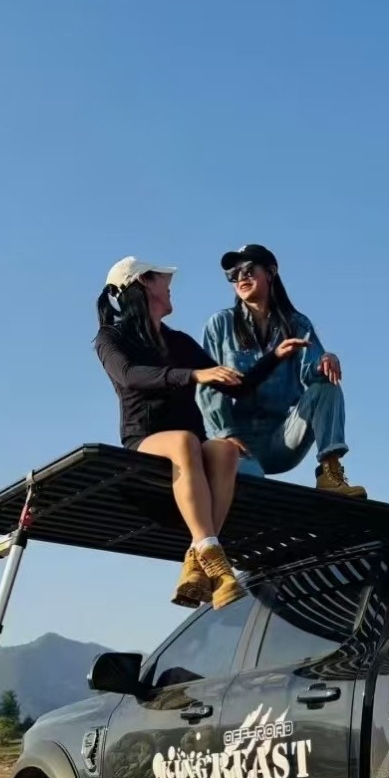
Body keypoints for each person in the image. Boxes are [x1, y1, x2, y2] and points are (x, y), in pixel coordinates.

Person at [94, 255, 309, 611]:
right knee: (184, 440)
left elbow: (235, 385)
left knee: (224, 449)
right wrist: (193, 375)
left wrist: (274, 356)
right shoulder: (110, 338)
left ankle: (198, 558)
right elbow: (130, 375)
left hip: (192, 443)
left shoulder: (178, 341)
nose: (169, 286)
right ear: (144, 284)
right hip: (146, 439)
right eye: (163, 280)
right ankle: (213, 554)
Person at [197, 244, 366, 498]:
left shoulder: (297, 324)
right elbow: (207, 386)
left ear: (271, 272)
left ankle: (330, 472)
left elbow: (313, 371)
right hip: (235, 443)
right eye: (233, 274)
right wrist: (226, 435)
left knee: (327, 386)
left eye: (249, 270)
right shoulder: (219, 324)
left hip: (281, 438)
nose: (241, 278)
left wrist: (326, 359)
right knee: (253, 487)